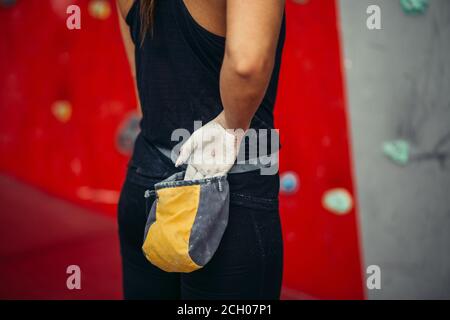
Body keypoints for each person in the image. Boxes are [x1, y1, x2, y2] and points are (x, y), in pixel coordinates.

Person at [116, 0, 286, 299]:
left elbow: (136, 46)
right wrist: (230, 126)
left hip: (147, 179)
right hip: (228, 196)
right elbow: (247, 64)